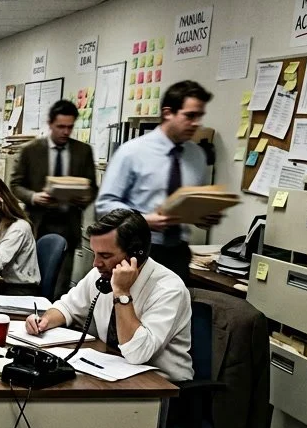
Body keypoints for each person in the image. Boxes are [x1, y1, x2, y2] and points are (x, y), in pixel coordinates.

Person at [24, 209, 193, 382]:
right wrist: (44, 321)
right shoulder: (102, 273)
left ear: (136, 254)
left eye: (105, 255)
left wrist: (121, 293)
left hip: (162, 387)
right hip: (113, 373)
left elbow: (137, 353)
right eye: (95, 253)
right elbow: (67, 307)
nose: (95, 263)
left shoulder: (169, 289)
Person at [96, 80, 216, 281]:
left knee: (174, 310)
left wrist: (205, 217)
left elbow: (196, 203)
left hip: (178, 253)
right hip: (138, 251)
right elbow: (104, 205)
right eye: (190, 116)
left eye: (200, 116)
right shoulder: (132, 152)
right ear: (168, 112)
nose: (196, 123)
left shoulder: (197, 156)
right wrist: (143, 220)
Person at [11, 99, 97, 295]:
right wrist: (34, 196)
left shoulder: (82, 152)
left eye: (69, 127)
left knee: (61, 282)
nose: (65, 132)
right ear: (50, 124)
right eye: (60, 127)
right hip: (38, 222)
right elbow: (15, 185)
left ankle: (54, 314)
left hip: (68, 223)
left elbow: (93, 188)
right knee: (33, 276)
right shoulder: (31, 151)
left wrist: (85, 197)